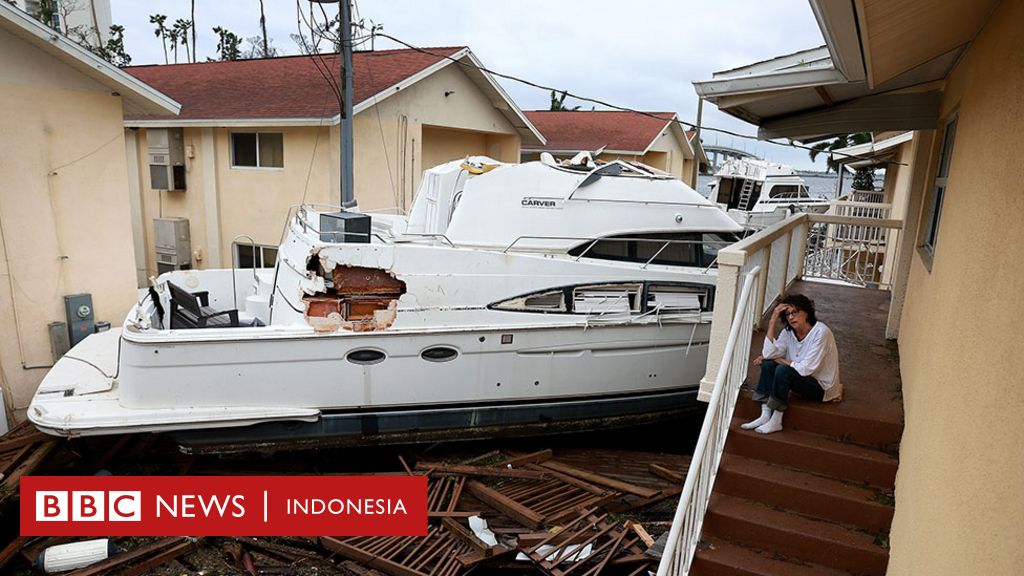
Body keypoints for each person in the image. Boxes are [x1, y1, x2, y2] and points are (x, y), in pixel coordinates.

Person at [741, 293, 842, 434]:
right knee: (768, 364)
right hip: (800, 381)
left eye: (795, 312)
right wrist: (772, 320)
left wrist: (780, 360)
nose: (791, 317)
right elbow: (769, 354)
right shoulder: (788, 332)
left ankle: (776, 420)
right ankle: (765, 414)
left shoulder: (821, 332)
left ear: (806, 312)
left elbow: (805, 369)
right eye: (787, 314)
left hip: (820, 388)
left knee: (782, 370)